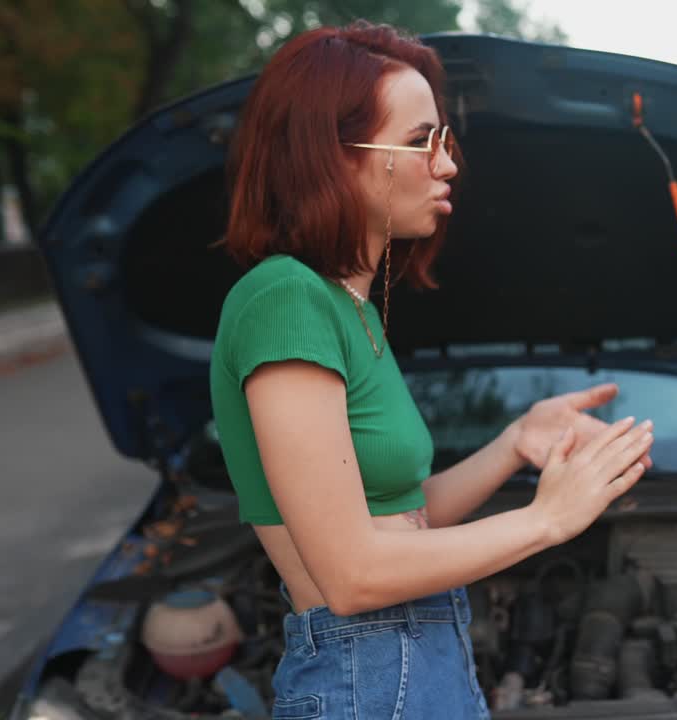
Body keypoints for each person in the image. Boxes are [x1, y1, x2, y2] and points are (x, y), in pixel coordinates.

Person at [208, 22, 654, 718]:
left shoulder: (345, 308)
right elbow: (352, 574)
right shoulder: (284, 299)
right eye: (422, 143)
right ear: (336, 155)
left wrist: (516, 442)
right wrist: (547, 521)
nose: (448, 165)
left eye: (444, 142)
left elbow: (404, 517)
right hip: (368, 676)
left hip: (415, 665)